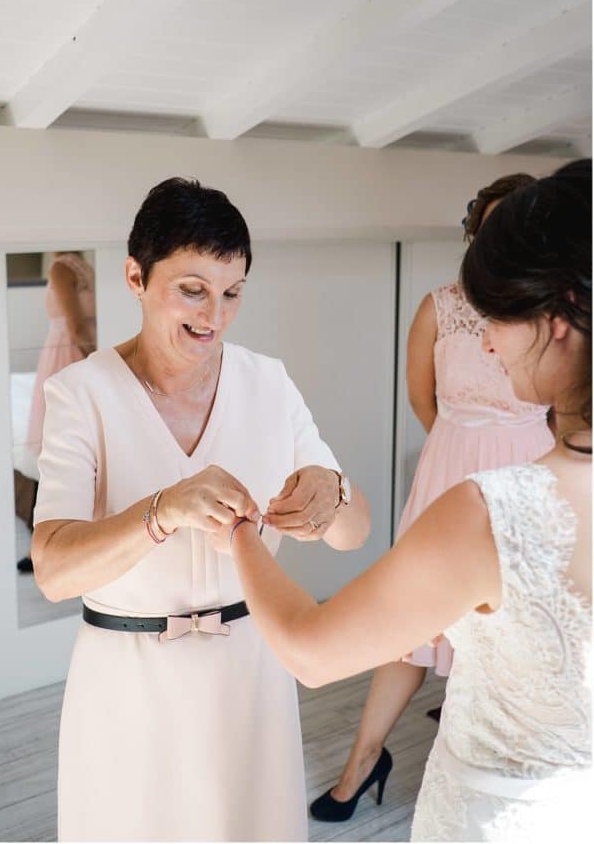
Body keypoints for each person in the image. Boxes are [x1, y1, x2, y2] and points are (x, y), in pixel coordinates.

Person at [214, 159, 591, 842]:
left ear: (558, 313)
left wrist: (238, 528)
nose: (484, 338)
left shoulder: (494, 516)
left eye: (500, 315)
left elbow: (311, 651)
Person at [31, 178, 371, 842]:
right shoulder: (82, 394)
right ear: (136, 276)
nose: (213, 314)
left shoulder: (268, 382)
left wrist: (335, 492)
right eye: (192, 289)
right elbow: (52, 571)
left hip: (251, 674)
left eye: (232, 292)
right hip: (127, 681)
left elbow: (353, 535)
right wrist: (161, 510)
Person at [310, 173, 554, 821]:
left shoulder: (551, 314)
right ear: (476, 235)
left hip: (529, 476)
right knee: (407, 630)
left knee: (508, 636)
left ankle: (486, 769)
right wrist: (460, 456)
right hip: (450, 471)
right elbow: (424, 400)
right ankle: (362, 762)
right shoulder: (439, 307)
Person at [17, 251, 96, 573]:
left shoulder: (68, 267)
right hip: (72, 352)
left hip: (72, 352)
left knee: (65, 447)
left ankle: (61, 542)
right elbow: (78, 324)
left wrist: (97, 360)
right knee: (62, 445)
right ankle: (52, 542)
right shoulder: (79, 268)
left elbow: (77, 324)